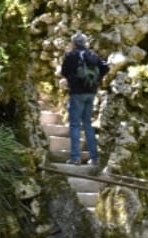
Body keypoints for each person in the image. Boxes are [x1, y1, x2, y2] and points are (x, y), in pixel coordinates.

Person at [60, 32, 109, 166]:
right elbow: (105, 67)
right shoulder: (92, 55)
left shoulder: (72, 55)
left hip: (77, 93)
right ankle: (94, 158)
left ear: (74, 43)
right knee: (87, 124)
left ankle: (75, 158)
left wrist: (73, 78)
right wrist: (97, 80)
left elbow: (63, 72)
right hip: (91, 93)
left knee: (75, 124)